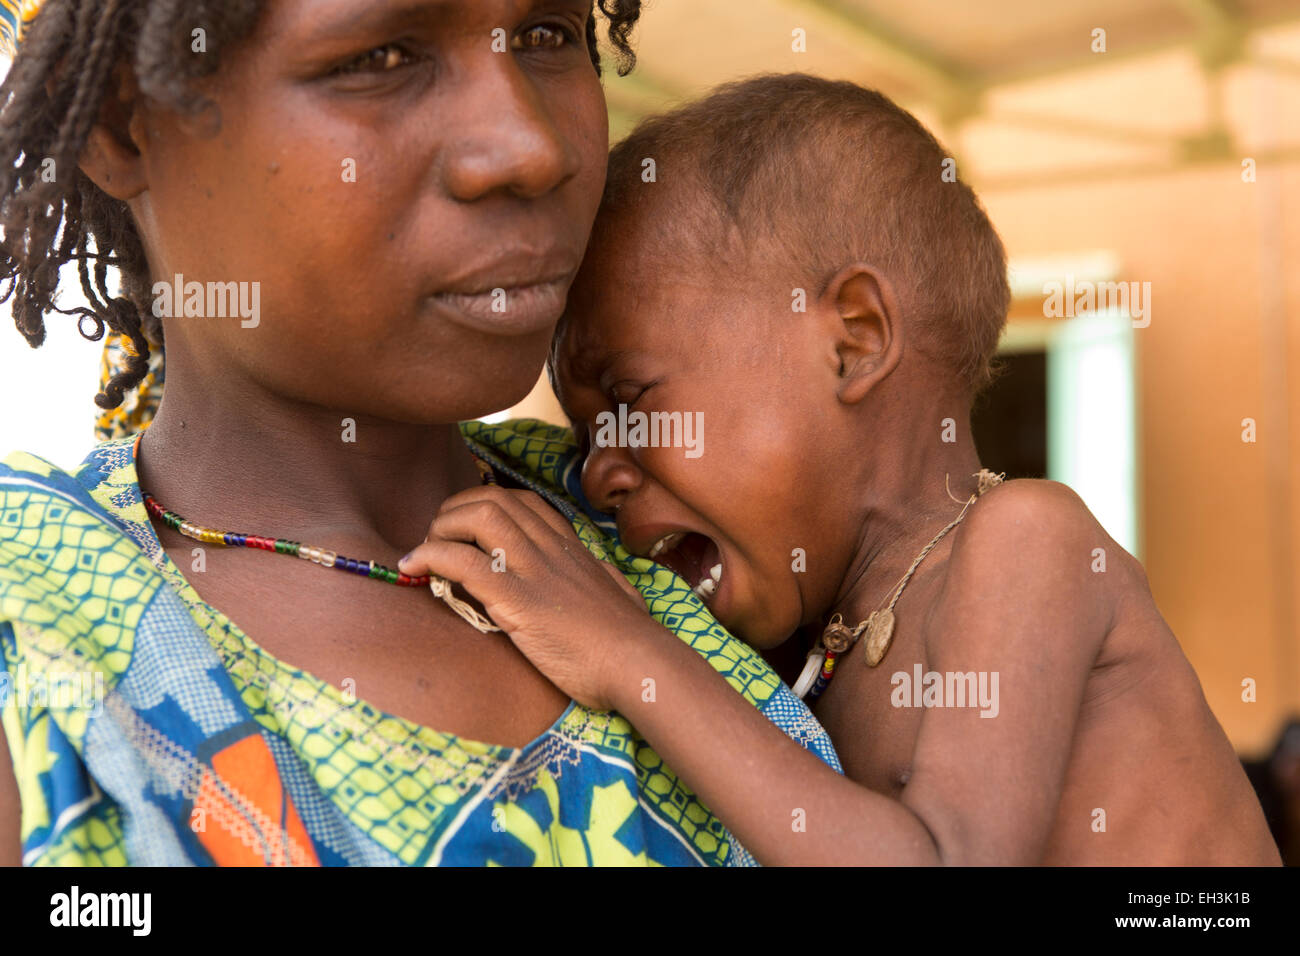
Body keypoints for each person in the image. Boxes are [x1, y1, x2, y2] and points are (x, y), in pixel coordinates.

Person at [0, 1, 839, 867]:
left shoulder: (687, 522)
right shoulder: (34, 629)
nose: (531, 147)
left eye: (549, 34)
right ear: (120, 124)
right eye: (385, 55)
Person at [400, 74, 1282, 865]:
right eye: (590, 434)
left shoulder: (1028, 541)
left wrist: (627, 652)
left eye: (632, 399)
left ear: (852, 342)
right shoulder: (812, 657)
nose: (596, 474)